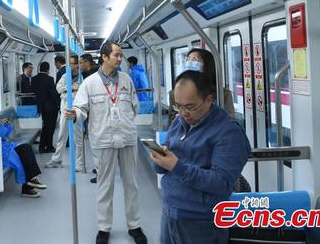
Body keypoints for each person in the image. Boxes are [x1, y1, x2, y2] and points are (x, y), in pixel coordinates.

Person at [151, 70, 251, 244]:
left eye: (190, 107)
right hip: (170, 213)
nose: (183, 113)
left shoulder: (228, 132)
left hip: (202, 222)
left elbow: (221, 183)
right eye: (178, 106)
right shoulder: (179, 122)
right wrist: (160, 161)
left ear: (209, 100)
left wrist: (176, 166)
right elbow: (167, 163)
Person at [66, 42, 148, 244]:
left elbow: (134, 107)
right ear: (104, 57)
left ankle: (135, 226)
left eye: (121, 55)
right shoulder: (90, 83)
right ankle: (104, 228)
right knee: (105, 186)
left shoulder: (126, 80)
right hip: (103, 140)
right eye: (116, 55)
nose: (120, 59)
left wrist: (125, 123)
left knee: (132, 184)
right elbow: (81, 108)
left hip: (127, 138)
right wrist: (75, 114)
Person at [0, 96, 47, 198]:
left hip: (1, 146)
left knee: (26, 148)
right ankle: (28, 185)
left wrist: (4, 126)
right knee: (23, 152)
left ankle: (31, 181)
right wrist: (2, 127)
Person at [168, 48, 235, 122]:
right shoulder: (174, 93)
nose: (190, 62)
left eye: (195, 59)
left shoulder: (223, 94)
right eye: (188, 59)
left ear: (207, 65)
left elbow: (229, 120)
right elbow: (172, 120)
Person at [45, 55, 84, 170]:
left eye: (71, 64)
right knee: (62, 134)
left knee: (78, 137)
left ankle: (79, 163)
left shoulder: (81, 78)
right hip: (65, 109)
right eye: (69, 63)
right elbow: (58, 89)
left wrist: (67, 92)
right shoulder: (65, 75)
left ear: (76, 64)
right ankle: (57, 159)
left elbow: (79, 93)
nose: (69, 66)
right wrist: (72, 88)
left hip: (77, 110)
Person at [79, 53, 100, 183]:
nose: (80, 65)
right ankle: (99, 168)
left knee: (97, 144)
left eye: (81, 62)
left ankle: (101, 172)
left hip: (97, 113)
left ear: (87, 62)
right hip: (90, 112)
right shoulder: (86, 74)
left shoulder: (95, 75)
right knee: (94, 143)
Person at [31, 62, 60, 153]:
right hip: (51, 107)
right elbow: (53, 94)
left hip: (40, 107)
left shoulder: (34, 79)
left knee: (46, 127)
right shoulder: (50, 79)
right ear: (48, 69)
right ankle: (48, 147)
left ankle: (43, 146)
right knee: (50, 128)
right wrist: (59, 104)